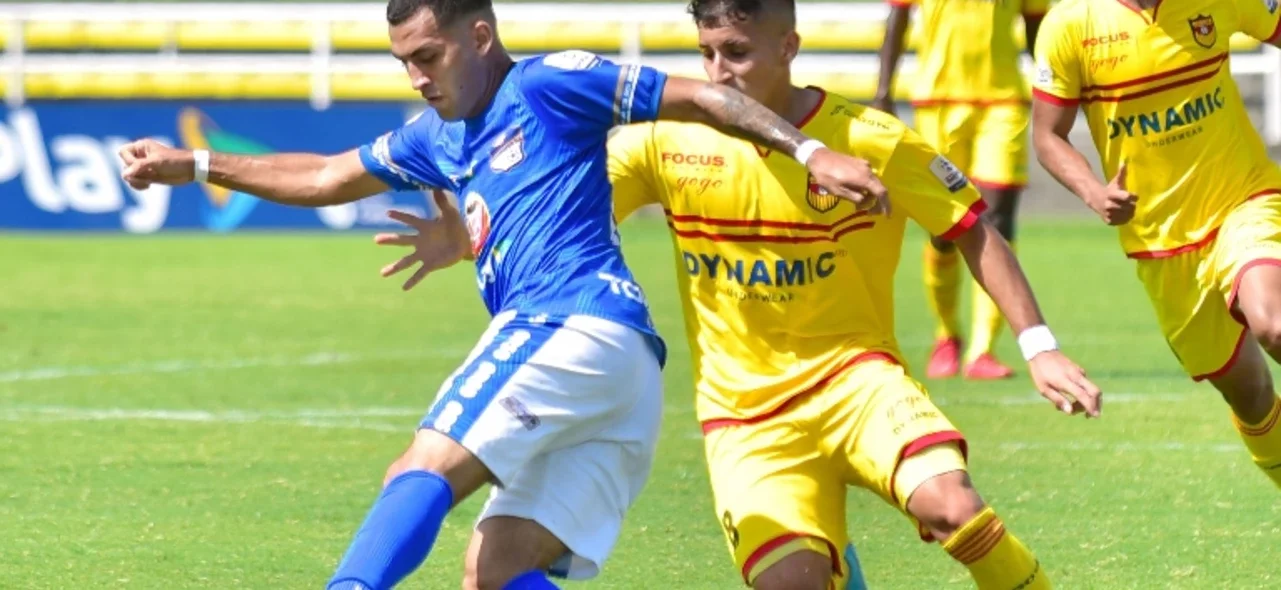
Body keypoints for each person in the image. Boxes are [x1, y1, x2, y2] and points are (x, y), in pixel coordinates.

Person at [116, 0, 890, 588]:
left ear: (478, 36)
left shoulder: (550, 83)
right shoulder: (435, 135)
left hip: (569, 324)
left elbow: (701, 97)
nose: (418, 77)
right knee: (493, 568)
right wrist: (194, 164)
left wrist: (810, 148)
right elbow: (323, 175)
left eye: (429, 55)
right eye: (404, 63)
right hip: (617, 375)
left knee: (418, 469)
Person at [373, 0, 1102, 588]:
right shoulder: (665, 142)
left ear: (788, 45)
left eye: (738, 53)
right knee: (789, 581)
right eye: (707, 53)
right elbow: (546, 191)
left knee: (955, 510)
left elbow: (972, 227)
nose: (718, 72)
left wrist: (1038, 347)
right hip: (745, 418)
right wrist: (470, 233)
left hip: (858, 382)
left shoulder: (869, 139)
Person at [1031, 0, 1281, 491]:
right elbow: (1046, 136)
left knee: (1271, 320)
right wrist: (1094, 191)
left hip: (1243, 201)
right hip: (1160, 245)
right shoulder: (1070, 24)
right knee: (1250, 397)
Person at [875, 0, 1047, 380]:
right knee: (945, 228)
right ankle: (946, 334)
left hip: (1003, 102)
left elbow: (1037, 26)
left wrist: (1056, 84)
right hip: (938, 103)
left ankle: (984, 349)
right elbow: (898, 18)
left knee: (997, 218)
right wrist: (883, 92)